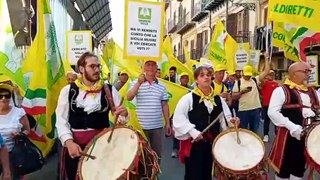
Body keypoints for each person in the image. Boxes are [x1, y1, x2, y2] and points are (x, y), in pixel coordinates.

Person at [55, 52, 129, 180]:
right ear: (82, 69)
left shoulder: (109, 90)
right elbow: (61, 120)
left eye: (98, 66)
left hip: (102, 148)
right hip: (75, 146)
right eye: (92, 66)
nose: (97, 70)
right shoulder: (68, 91)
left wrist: (124, 113)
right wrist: (69, 142)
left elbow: (122, 119)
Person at [172, 65, 239, 180]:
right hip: (195, 146)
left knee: (208, 174)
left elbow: (225, 119)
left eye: (208, 75)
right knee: (194, 175)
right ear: (196, 80)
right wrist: (193, 132)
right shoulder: (188, 98)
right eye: (202, 75)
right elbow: (178, 119)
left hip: (212, 144)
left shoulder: (219, 100)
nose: (206, 77)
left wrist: (233, 121)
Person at [268, 62, 320, 180]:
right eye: (306, 71)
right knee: (283, 168)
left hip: (307, 137)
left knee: (299, 168)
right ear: (295, 74)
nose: (309, 74)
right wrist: (293, 127)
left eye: (309, 72)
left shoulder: (313, 92)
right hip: (287, 136)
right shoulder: (281, 90)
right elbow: (272, 113)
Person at [127, 60, 172, 161]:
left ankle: (154, 176)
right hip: (141, 127)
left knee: (156, 155)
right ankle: (144, 177)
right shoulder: (135, 82)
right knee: (141, 156)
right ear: (144, 68)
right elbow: (129, 97)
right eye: (148, 65)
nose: (150, 67)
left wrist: (168, 123)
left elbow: (164, 105)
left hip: (157, 127)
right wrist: (139, 83)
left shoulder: (162, 86)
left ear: (157, 68)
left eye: (153, 65)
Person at [0, 83, 30, 180]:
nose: (3, 98)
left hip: (15, 153)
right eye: (0, 96)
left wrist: (20, 134)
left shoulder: (19, 112)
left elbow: (27, 130)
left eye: (7, 95)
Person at [232, 65, 261, 133]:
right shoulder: (238, 82)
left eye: (249, 75)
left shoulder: (254, 80)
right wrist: (242, 92)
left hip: (255, 109)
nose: (248, 77)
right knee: (243, 132)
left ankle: (253, 144)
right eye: (246, 75)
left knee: (254, 132)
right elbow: (233, 96)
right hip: (243, 110)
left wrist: (266, 58)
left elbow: (265, 72)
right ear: (243, 73)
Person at [171, 73, 193, 158]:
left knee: (189, 132)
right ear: (180, 80)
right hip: (178, 113)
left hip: (189, 113)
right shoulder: (176, 88)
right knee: (177, 131)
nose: (184, 80)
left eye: (186, 78)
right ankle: (175, 149)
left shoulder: (192, 89)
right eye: (183, 78)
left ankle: (187, 150)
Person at [259, 53, 279, 142]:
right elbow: (261, 77)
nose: (272, 75)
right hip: (266, 105)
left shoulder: (276, 83)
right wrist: (266, 58)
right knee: (267, 121)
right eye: (270, 74)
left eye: (273, 74)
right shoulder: (264, 83)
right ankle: (266, 135)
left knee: (276, 121)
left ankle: (277, 135)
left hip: (275, 105)